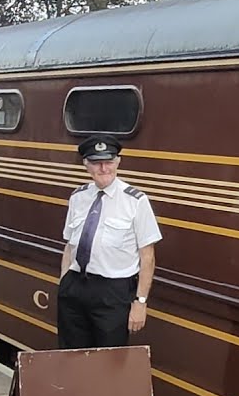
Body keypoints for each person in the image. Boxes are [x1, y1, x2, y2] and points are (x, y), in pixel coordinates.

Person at [56, 134, 162, 349]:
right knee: (70, 354)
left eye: (109, 162)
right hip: (75, 286)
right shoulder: (78, 197)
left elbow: (147, 256)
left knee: (109, 360)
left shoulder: (135, 201)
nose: (104, 168)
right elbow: (70, 246)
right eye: (96, 162)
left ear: (118, 162)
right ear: (86, 164)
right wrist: (64, 282)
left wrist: (140, 302)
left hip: (113, 292)